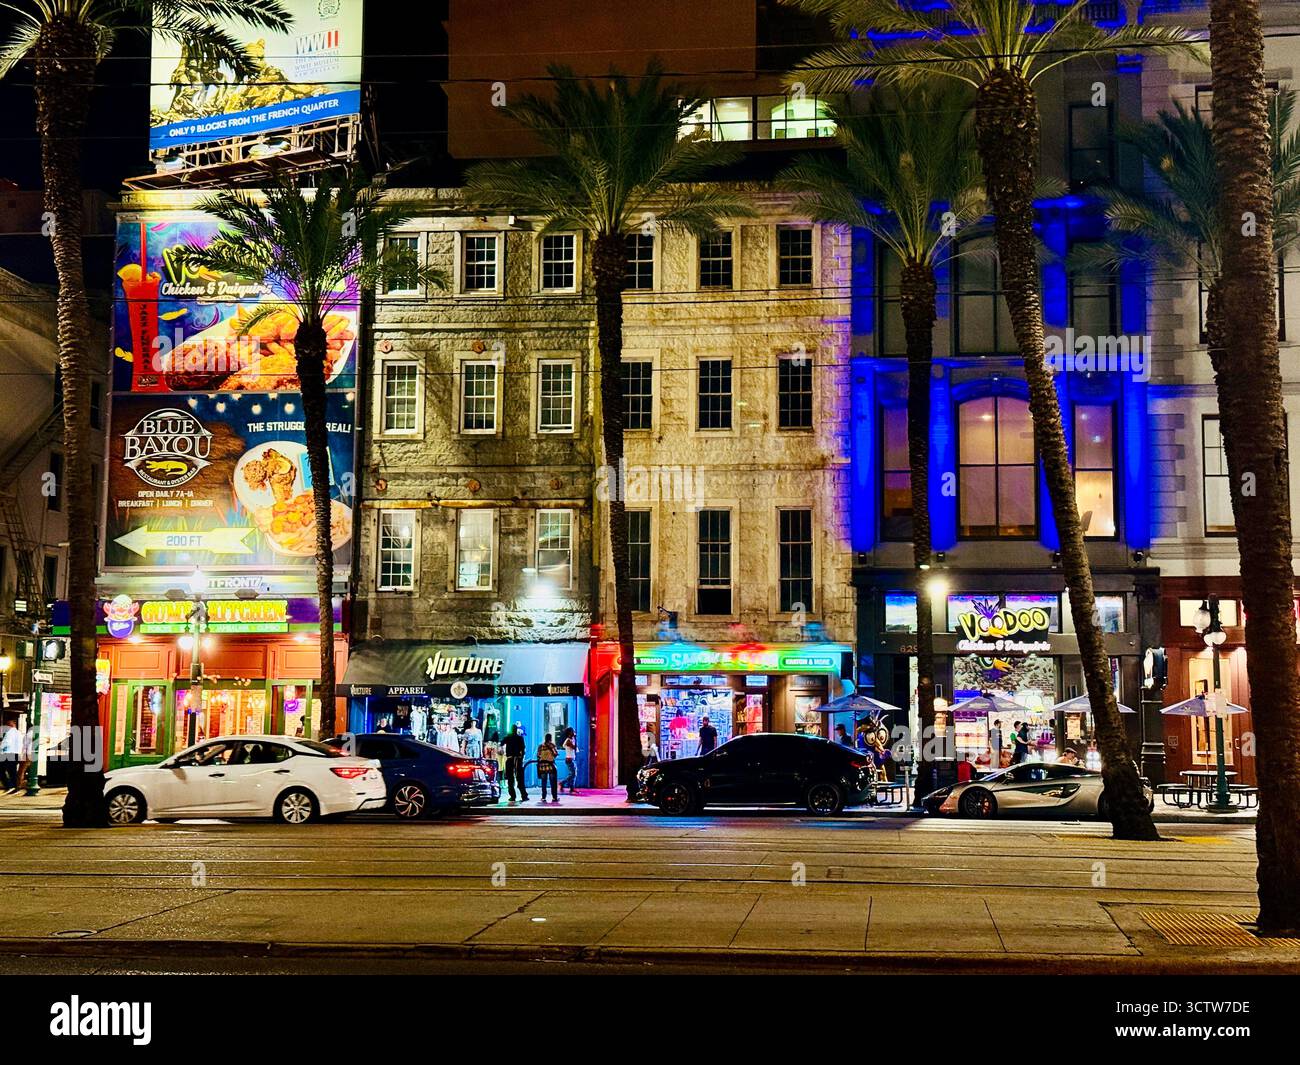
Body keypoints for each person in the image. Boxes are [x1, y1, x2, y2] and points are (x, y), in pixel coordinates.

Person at [503, 723, 528, 802]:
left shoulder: (508, 737)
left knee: (510, 778)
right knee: (520, 778)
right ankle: (523, 795)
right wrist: (522, 757)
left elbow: (501, 743)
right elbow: (523, 748)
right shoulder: (520, 738)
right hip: (518, 759)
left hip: (510, 758)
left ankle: (512, 796)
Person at [536, 732, 559, 803]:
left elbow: (538, 755)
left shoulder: (540, 746)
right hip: (551, 766)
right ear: (551, 738)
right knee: (553, 782)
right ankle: (554, 797)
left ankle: (543, 797)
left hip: (542, 766)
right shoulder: (552, 745)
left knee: (544, 782)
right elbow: (555, 754)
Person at [0, 718, 20, 792]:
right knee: (13, 772)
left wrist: (1, 747)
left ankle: (9, 786)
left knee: (1, 771)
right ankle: (15, 788)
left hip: (8, 754)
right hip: (16, 754)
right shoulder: (18, 733)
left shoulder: (10, 732)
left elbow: (6, 743)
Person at [561, 727, 579, 795]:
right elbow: (574, 747)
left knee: (573, 774)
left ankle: (571, 788)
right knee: (573, 774)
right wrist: (575, 738)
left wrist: (574, 738)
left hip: (572, 759)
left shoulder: (571, 739)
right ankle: (562, 783)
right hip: (569, 759)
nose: (574, 732)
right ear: (569, 733)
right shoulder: (568, 740)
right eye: (572, 731)